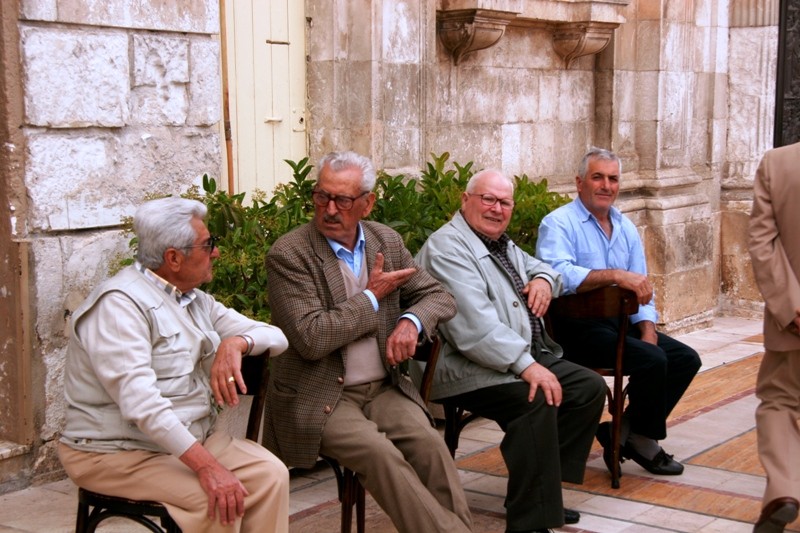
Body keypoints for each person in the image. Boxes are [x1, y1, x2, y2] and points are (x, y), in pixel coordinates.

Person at [263, 151, 472, 533]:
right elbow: (312, 337)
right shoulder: (289, 254)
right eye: (321, 196)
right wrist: (372, 298)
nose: (328, 209)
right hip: (320, 396)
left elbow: (440, 297)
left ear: (367, 203)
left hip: (383, 389)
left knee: (430, 447)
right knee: (381, 456)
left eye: (342, 200)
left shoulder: (385, 242)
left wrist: (410, 321)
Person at [58, 197, 291, 533]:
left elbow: (276, 337)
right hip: (114, 453)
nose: (216, 252)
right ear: (173, 258)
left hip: (185, 440)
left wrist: (236, 342)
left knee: (269, 475)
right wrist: (208, 467)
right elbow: (143, 404)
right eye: (208, 244)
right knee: (220, 501)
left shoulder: (193, 299)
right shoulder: (119, 306)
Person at [415, 168, 606, 533]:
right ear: (465, 201)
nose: (496, 209)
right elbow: (474, 330)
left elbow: (544, 268)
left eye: (504, 202)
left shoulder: (499, 243)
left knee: (587, 389)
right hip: (462, 366)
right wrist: (526, 365)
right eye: (487, 199)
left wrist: (543, 280)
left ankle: (542, 490)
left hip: (510, 358)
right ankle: (529, 519)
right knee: (535, 398)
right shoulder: (448, 248)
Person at [536, 147, 702, 477]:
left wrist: (648, 328)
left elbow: (641, 286)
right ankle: (640, 440)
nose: (606, 186)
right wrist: (613, 275)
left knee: (685, 358)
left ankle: (626, 430)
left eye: (613, 179)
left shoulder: (624, 226)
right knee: (652, 361)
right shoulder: (558, 223)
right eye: (598, 177)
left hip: (620, 321)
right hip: (575, 327)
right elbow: (556, 275)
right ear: (579, 182)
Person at [748, 141, 800, 533]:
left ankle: (783, 489)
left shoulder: (778, 162)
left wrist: (790, 308)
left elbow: (762, 243)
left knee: (780, 402)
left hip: (792, 322)